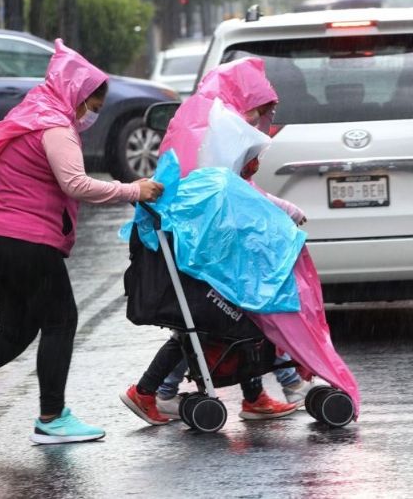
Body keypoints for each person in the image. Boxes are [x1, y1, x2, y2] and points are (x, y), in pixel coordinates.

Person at [0, 39, 164, 446]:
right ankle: (52, 417)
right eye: (93, 105)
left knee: (15, 331)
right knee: (61, 320)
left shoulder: (31, 114)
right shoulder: (55, 126)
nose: (93, 114)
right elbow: (76, 184)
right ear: (76, 96)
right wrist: (132, 190)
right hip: (26, 240)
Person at [120, 58, 304, 426]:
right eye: (261, 111)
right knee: (218, 321)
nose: (262, 120)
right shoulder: (216, 129)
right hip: (197, 246)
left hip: (200, 242)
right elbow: (229, 189)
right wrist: (285, 211)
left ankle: (252, 395)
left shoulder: (207, 122)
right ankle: (147, 389)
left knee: (225, 319)